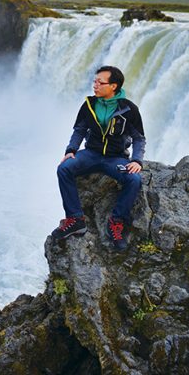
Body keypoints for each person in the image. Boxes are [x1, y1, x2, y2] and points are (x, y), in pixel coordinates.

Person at [52, 65, 146, 250]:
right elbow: (79, 130)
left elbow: (139, 138)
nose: (95, 85)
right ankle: (75, 219)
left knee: (134, 179)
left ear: (114, 86)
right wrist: (71, 150)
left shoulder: (129, 109)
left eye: (100, 82)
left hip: (115, 158)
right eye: (94, 81)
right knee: (64, 168)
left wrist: (136, 160)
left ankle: (116, 223)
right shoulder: (89, 104)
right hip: (90, 154)